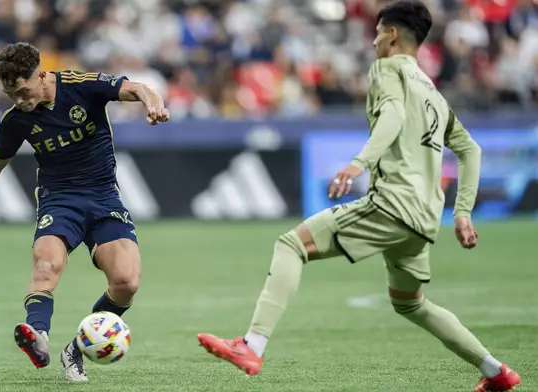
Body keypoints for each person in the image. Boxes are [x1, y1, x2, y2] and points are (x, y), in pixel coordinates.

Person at [196, 2, 521, 391]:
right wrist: (463, 211)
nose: (372, 40)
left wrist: (358, 163)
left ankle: (252, 345)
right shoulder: (432, 92)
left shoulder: (387, 69)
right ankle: (495, 372)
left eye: (378, 32)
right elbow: (471, 150)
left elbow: (394, 117)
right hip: (425, 219)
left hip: (393, 204)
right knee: (411, 303)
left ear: (393, 34)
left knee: (291, 245)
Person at [0, 42, 169, 383]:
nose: (19, 101)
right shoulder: (16, 120)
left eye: (22, 91)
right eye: (10, 94)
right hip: (58, 200)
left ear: (42, 75)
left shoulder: (83, 86)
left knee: (126, 283)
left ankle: (76, 350)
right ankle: (38, 336)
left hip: (104, 198)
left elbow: (137, 88)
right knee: (46, 267)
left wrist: (155, 104)